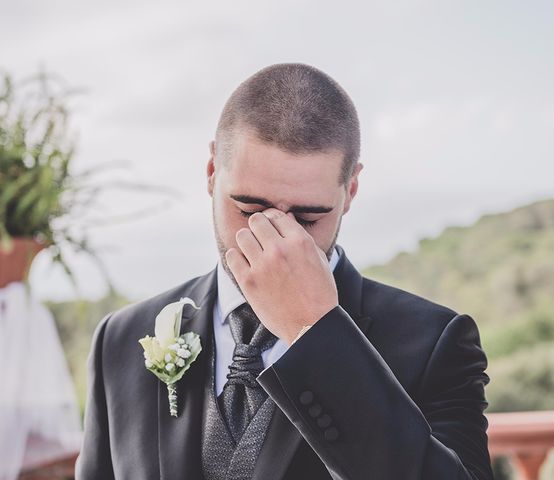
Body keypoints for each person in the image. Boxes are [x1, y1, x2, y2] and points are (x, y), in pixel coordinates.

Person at [75, 63, 494, 480]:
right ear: (211, 173)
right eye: (249, 210)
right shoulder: (119, 340)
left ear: (350, 190)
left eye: (308, 218)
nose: (276, 237)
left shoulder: (435, 343)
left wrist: (315, 330)